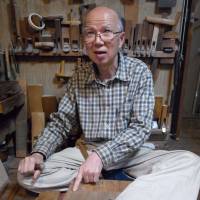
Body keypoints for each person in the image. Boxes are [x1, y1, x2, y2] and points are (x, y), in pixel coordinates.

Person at [18, 6, 200, 200]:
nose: (98, 41)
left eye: (106, 32)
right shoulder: (79, 76)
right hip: (86, 152)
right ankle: (123, 184)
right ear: (84, 42)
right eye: (90, 33)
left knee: (191, 162)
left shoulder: (139, 72)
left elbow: (139, 129)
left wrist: (101, 157)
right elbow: (61, 123)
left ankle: (107, 186)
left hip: (130, 155)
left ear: (120, 39)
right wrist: (38, 154)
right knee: (27, 175)